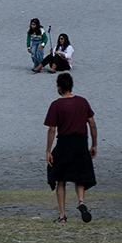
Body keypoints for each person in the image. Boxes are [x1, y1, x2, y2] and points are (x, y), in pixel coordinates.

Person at [44, 72, 96, 222]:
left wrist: (48, 150)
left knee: (60, 178)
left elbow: (52, 129)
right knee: (79, 176)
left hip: (64, 143)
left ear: (58, 87)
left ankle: (62, 216)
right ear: (72, 86)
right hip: (81, 142)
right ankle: (81, 201)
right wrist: (94, 144)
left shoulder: (56, 105)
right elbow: (92, 123)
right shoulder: (82, 102)